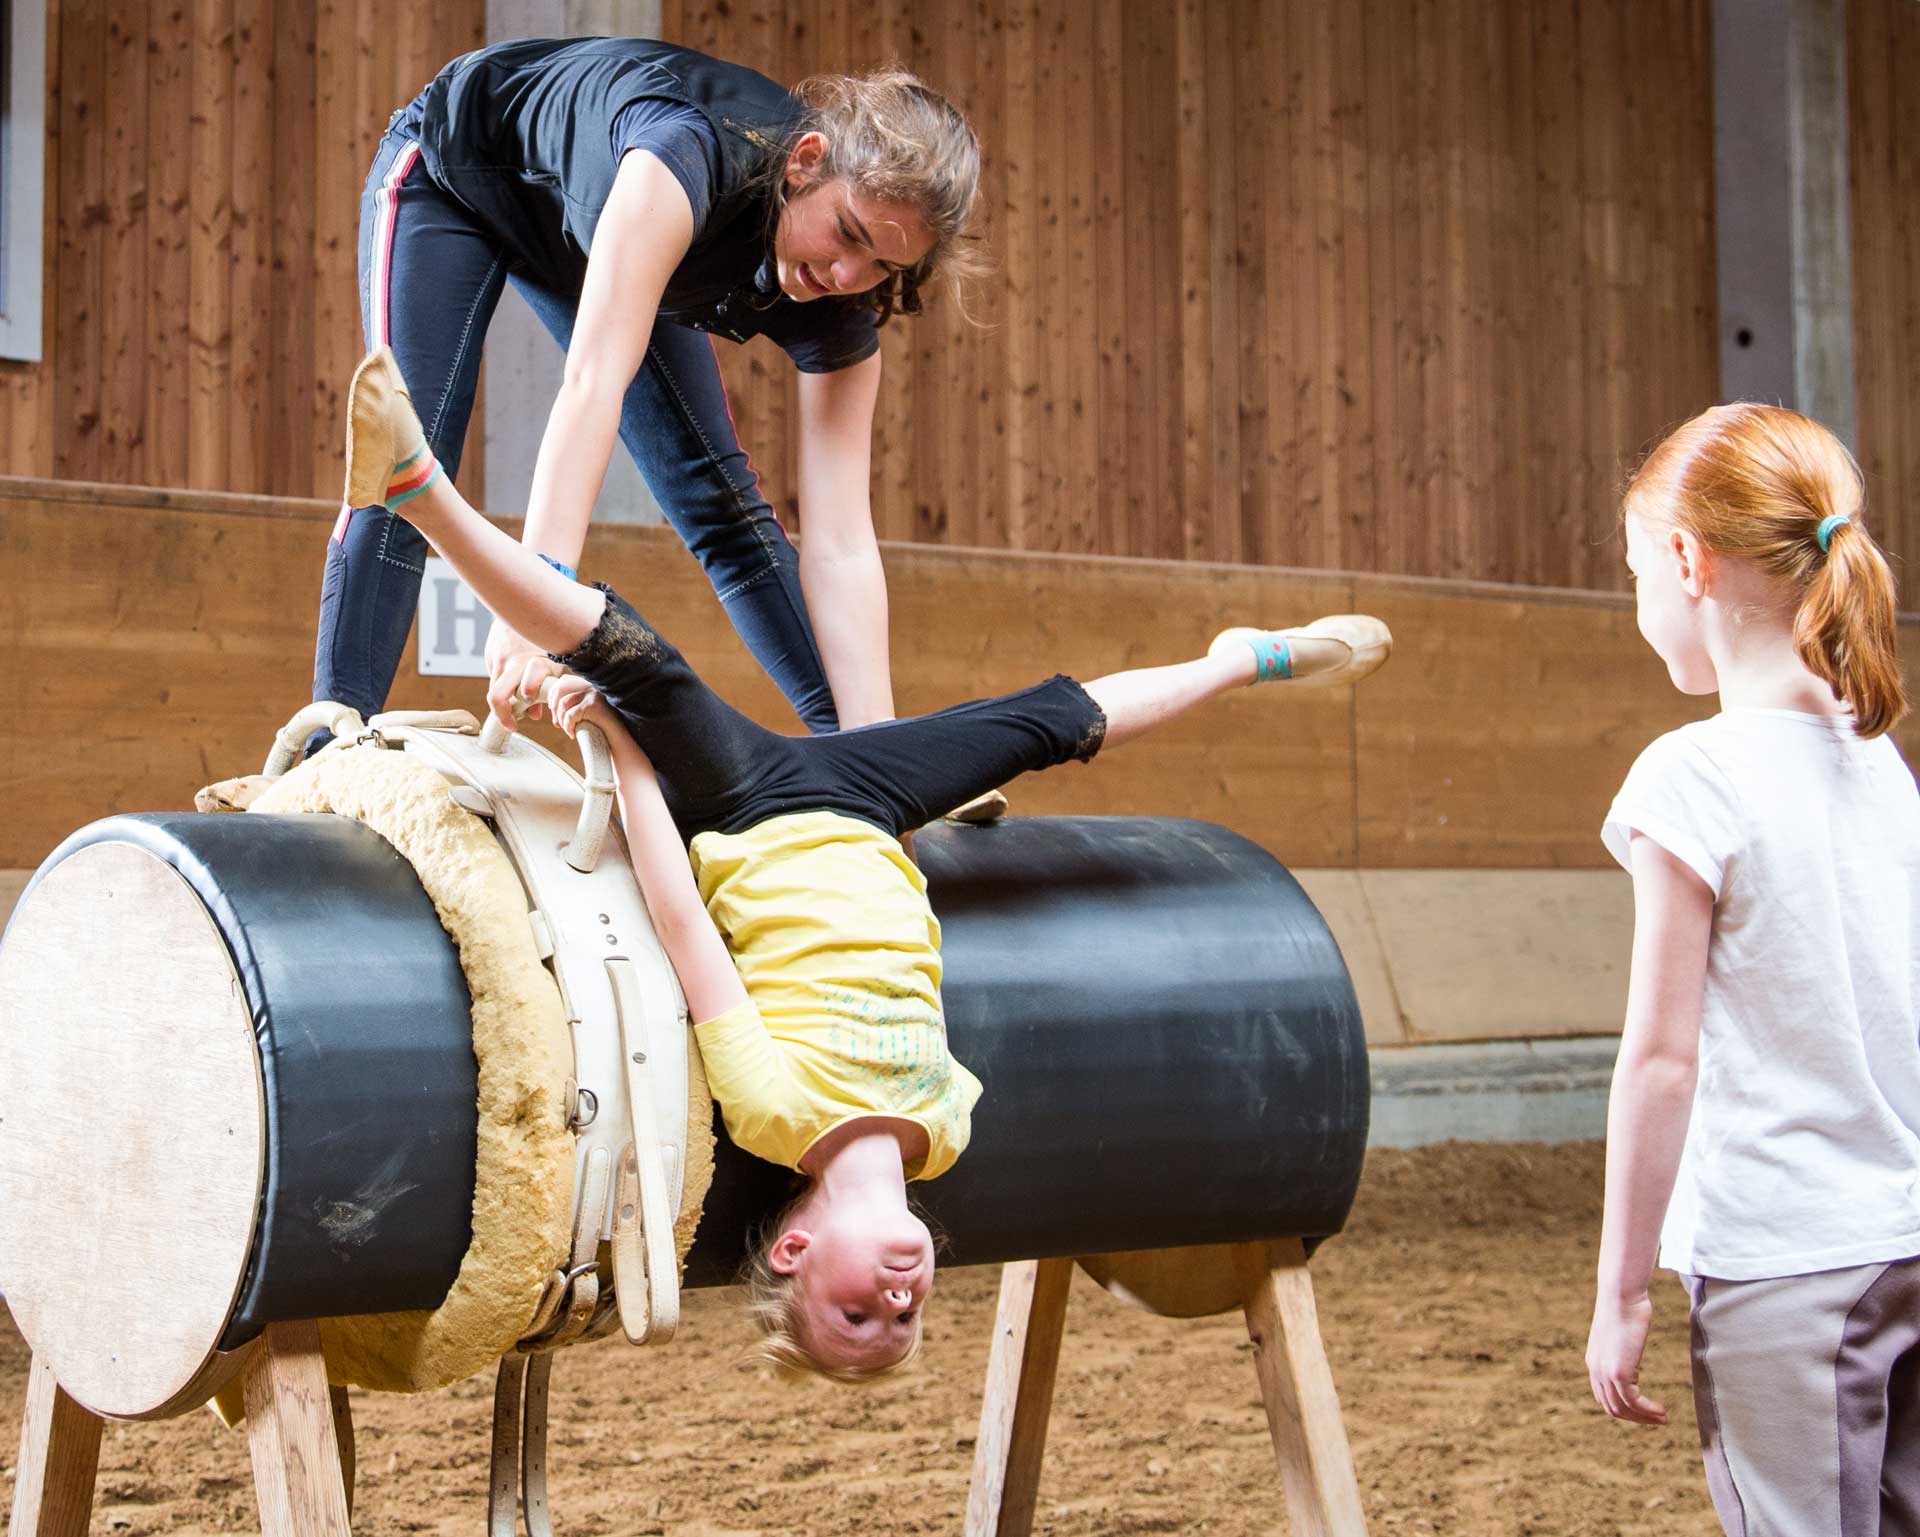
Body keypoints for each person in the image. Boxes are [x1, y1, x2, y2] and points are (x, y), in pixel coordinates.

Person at [344, 345, 1393, 1377]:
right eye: (908, 1319)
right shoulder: (948, 1127)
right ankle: (1239, 657)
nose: (898, 1298)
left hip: (750, 813)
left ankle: (421, 494)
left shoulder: (775, 1110)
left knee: (636, 660)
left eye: (859, 1310)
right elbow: (912, 950)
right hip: (876, 810)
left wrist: (621, 748)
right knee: (1046, 722)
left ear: (795, 1248)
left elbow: (683, 923)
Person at [314, 38, 984, 751]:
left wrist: (885, 759)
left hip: (596, 237)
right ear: (805, 161)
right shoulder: (685, 161)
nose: (847, 272)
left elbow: (844, 543)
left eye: (882, 264)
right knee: (412, 455)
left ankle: (858, 755)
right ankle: (330, 741)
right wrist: (528, 611)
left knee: (720, 502)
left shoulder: (844, 298)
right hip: (459, 168)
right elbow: (593, 386)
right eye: (846, 233)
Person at [1585, 403, 1920, 1533]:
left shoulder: (1693, 775)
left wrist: (1624, 1288)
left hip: (1788, 1262)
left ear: (1686, 561)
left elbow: (1662, 1062)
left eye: (1638, 570)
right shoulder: (1878, 761)